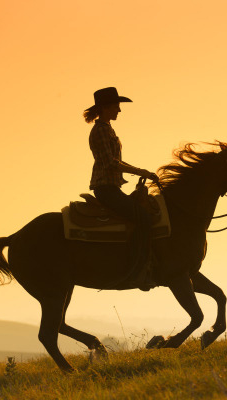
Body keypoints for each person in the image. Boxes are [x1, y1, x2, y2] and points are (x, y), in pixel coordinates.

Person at [84, 87, 157, 289]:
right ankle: (137, 269)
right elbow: (111, 163)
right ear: (106, 107)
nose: (119, 110)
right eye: (117, 106)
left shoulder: (106, 128)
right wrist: (142, 171)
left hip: (112, 186)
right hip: (105, 188)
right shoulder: (100, 130)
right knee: (143, 218)